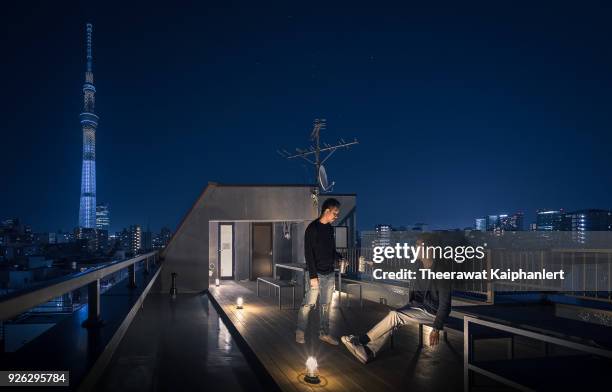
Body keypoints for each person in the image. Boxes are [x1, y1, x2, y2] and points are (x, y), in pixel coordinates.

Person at [341, 233, 452, 363]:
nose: (415, 248)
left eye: (418, 246)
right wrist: (376, 265)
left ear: (429, 249)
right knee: (392, 319)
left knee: (395, 315)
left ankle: (361, 341)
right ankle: (368, 351)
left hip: (432, 311)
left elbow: (445, 303)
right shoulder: (418, 265)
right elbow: (397, 268)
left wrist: (436, 328)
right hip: (417, 305)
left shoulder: (441, 271)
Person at [296, 197, 344, 345]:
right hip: (315, 274)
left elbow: (331, 250)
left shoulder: (330, 229)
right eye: (335, 213)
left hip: (329, 273)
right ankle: (300, 331)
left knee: (325, 305)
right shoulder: (312, 229)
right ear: (327, 211)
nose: (337, 216)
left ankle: (324, 333)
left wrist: (340, 257)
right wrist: (312, 276)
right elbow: (308, 253)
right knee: (308, 304)